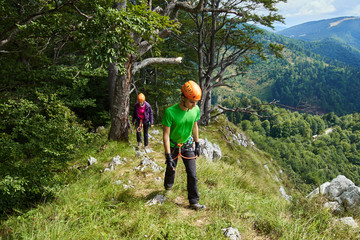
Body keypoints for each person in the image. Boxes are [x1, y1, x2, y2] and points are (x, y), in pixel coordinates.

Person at [162, 80, 206, 210]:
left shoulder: (195, 109)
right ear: (182, 98)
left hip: (187, 144)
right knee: (171, 169)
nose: (194, 105)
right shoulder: (170, 112)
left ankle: (194, 201)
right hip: (174, 145)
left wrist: (197, 143)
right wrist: (168, 155)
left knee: (192, 173)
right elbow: (165, 135)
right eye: (191, 102)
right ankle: (168, 186)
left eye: (195, 102)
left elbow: (195, 126)